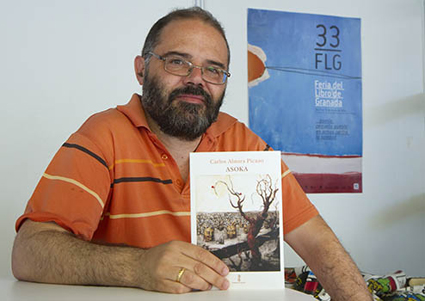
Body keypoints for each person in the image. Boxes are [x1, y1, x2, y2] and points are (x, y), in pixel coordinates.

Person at [12, 7, 372, 300]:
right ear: (141, 70)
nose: (196, 79)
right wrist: (137, 267)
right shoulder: (103, 135)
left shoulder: (243, 141)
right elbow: (29, 252)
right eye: (178, 62)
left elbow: (318, 242)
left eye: (213, 69)